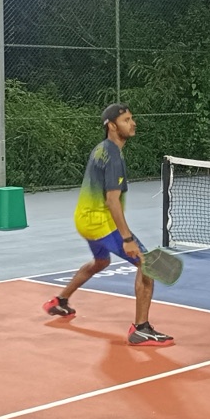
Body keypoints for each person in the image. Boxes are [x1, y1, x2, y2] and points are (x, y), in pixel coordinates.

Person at [45, 103, 175, 346]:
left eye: (131, 118)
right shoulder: (114, 157)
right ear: (112, 126)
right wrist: (127, 239)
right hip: (100, 223)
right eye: (126, 120)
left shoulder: (101, 149)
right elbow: (112, 201)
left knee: (101, 262)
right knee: (147, 265)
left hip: (84, 218)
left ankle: (60, 301)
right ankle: (141, 329)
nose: (133, 123)